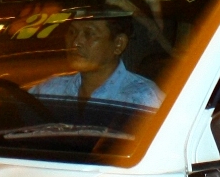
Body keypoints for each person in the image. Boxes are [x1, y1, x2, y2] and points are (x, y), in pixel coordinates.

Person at [30, 16, 163, 109]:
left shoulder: (143, 98)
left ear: (118, 44)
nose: (76, 42)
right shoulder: (49, 91)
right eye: (72, 32)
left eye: (89, 34)